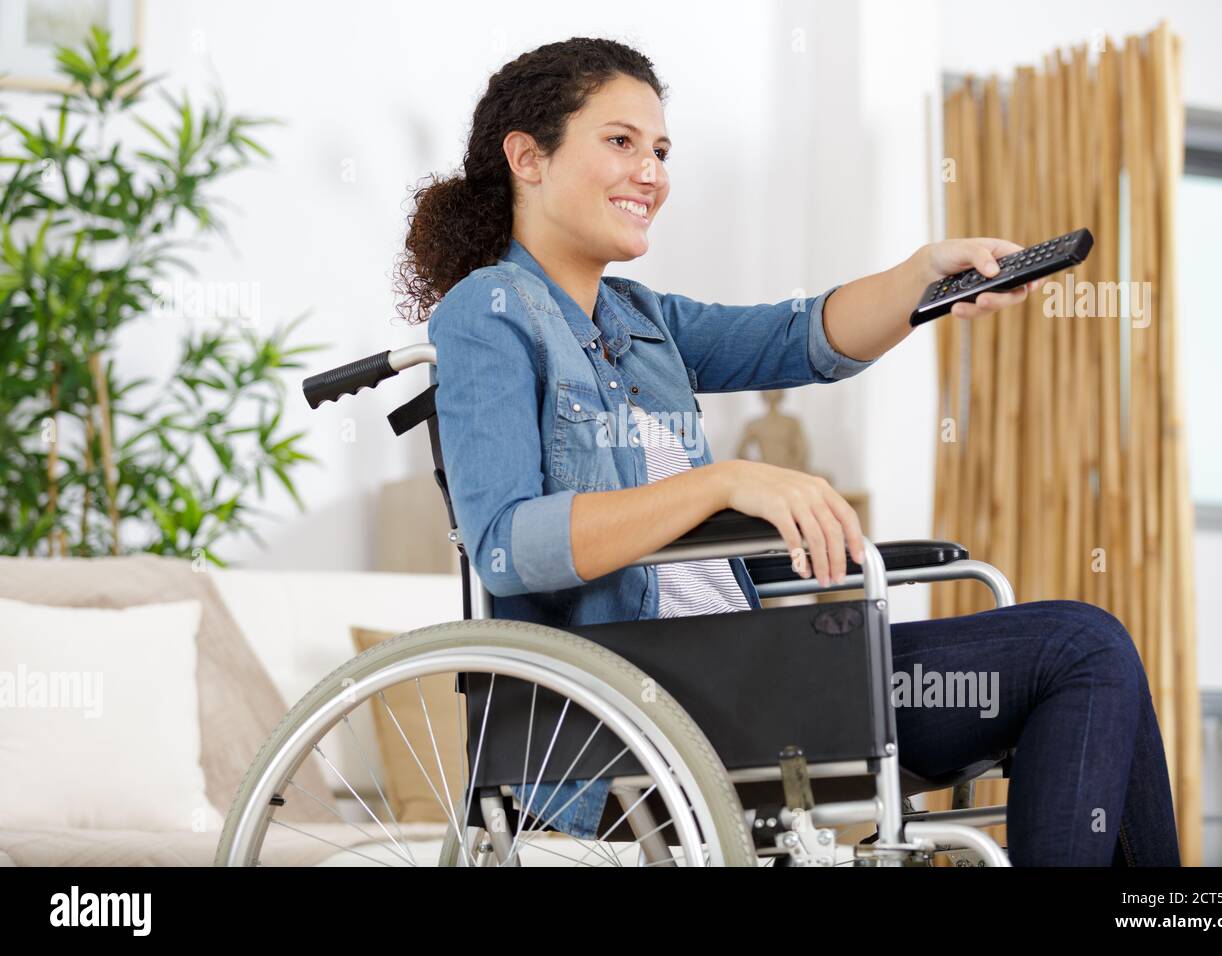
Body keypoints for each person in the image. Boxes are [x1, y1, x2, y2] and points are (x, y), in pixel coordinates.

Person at [396, 36, 1180, 866]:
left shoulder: (639, 319)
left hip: (742, 678)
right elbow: (510, 545)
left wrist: (927, 278)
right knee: (1082, 648)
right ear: (528, 156)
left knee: (1095, 658)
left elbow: (800, 335)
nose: (652, 172)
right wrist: (723, 482)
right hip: (644, 704)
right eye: (621, 142)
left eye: (660, 150)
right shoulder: (490, 312)